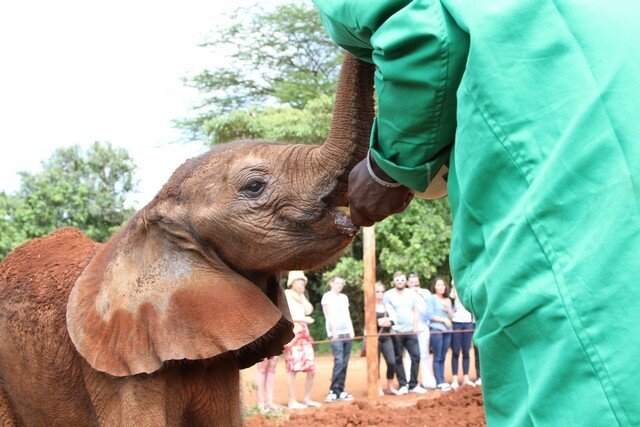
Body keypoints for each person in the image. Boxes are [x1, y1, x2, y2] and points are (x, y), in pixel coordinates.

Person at [312, 1, 640, 424]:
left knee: (576, 373)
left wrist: (387, 168)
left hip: (553, 152)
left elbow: (423, 36)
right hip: (614, 105)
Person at [383, 271, 427, 395]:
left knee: (416, 356)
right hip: (397, 331)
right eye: (397, 280)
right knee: (398, 358)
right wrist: (392, 327)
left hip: (410, 330)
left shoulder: (411, 293)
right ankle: (403, 384)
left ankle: (413, 384)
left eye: (402, 280)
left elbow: (416, 310)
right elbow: (387, 311)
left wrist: (415, 326)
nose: (400, 282)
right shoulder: (388, 295)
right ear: (394, 281)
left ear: (405, 281)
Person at [283, 271, 322, 410]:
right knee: (292, 369)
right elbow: (286, 316)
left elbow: (309, 309)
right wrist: (302, 319)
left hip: (304, 333)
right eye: (298, 281)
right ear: (291, 282)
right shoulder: (286, 295)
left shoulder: (300, 296)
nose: (300, 283)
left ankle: (306, 398)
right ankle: (291, 400)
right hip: (293, 333)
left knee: (311, 368)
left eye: (302, 281)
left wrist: (301, 295)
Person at [321, 275, 356, 403]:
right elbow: (328, 315)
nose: (339, 285)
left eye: (341, 283)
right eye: (337, 283)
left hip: (346, 332)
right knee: (339, 361)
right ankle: (333, 391)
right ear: (331, 283)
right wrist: (334, 331)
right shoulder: (327, 297)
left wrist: (351, 329)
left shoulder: (344, 297)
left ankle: (340, 390)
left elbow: (347, 314)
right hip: (335, 334)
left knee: (345, 362)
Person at [406, 273, 436, 389]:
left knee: (424, 354)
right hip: (409, 328)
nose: (414, 284)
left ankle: (426, 379)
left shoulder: (425, 292)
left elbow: (429, 311)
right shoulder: (405, 293)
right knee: (409, 355)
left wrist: (422, 296)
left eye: (416, 282)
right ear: (408, 283)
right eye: (411, 282)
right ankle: (410, 380)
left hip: (423, 327)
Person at [427, 277, 453, 391]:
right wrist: (443, 320)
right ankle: (439, 382)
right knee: (437, 356)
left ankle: (442, 380)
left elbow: (452, 317)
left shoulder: (448, 300)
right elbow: (429, 315)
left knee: (443, 356)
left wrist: (448, 311)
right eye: (438, 285)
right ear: (434, 287)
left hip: (448, 331)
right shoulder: (431, 298)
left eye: (442, 285)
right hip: (436, 330)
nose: (441, 287)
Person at [449, 280, 475, 389]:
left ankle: (466, 378)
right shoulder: (453, 293)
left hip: (468, 322)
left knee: (466, 351)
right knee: (455, 351)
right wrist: (454, 286)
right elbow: (450, 299)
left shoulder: (468, 291)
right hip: (456, 322)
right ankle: (454, 379)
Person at [375, 281, 399, 396]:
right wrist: (383, 321)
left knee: (391, 361)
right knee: (376, 363)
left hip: (386, 336)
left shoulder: (387, 306)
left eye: (382, 291)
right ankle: (377, 386)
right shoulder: (369, 306)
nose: (380, 294)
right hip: (374, 338)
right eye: (377, 291)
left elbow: (393, 320)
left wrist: (384, 322)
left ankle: (390, 386)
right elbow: (371, 322)